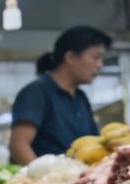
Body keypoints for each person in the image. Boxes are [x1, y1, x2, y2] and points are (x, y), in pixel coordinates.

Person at [8, 27, 111, 164]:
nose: (100, 65)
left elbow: (94, 144)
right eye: (95, 57)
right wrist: (46, 180)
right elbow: (19, 145)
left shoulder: (81, 97)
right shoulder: (37, 92)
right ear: (70, 57)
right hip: (51, 182)